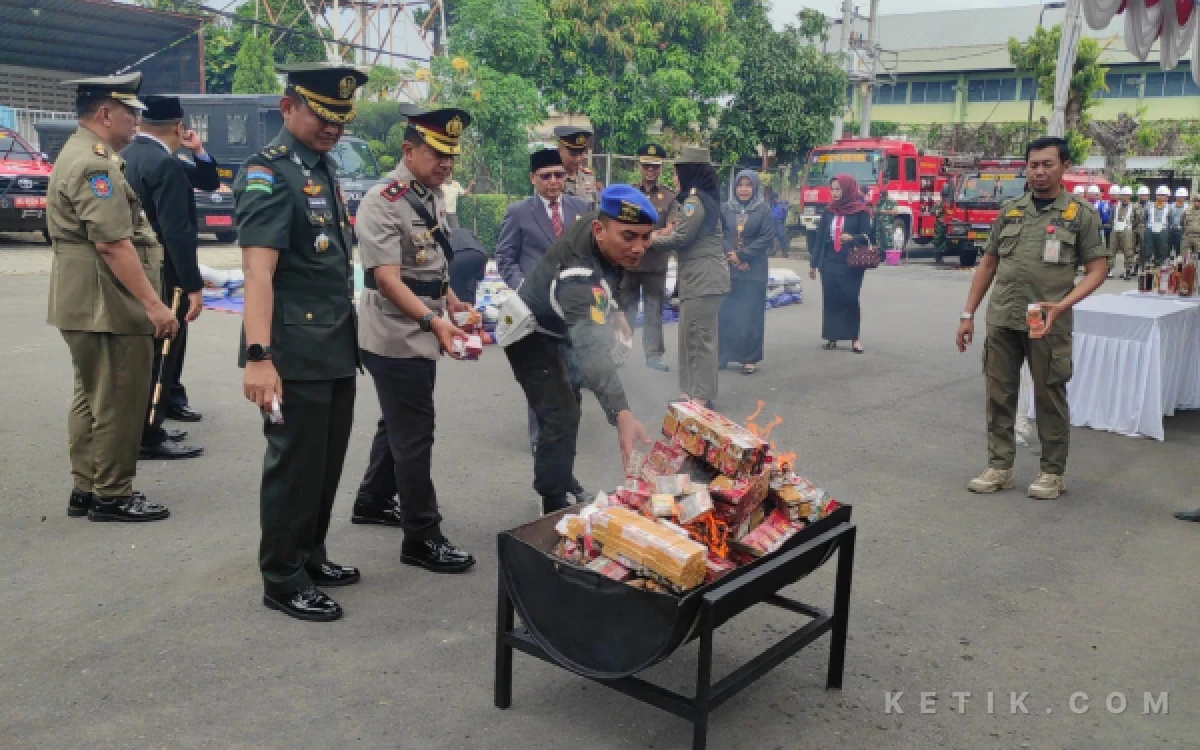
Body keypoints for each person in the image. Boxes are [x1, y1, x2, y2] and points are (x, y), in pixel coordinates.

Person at [234, 63, 367, 623]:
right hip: (292, 351)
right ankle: (283, 576)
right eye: (322, 115)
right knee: (294, 466)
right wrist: (259, 357)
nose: (332, 127)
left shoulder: (322, 169)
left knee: (326, 463)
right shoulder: (268, 173)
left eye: (341, 118)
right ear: (288, 107)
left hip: (334, 344)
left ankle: (311, 553)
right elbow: (258, 274)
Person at [348, 104, 476, 574]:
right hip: (395, 335)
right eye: (437, 152)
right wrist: (433, 321)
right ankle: (422, 537)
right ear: (408, 149)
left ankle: (373, 500)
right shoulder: (383, 200)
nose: (446, 163)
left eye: (451, 155)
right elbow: (386, 279)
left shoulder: (430, 195)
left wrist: (455, 302)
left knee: (397, 421)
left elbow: (431, 265)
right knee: (414, 434)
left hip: (422, 326)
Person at [47, 72, 177, 524]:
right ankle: (113, 494)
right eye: (131, 113)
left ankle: (87, 487)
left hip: (84, 299)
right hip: (108, 302)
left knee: (92, 396)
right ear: (105, 114)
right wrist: (154, 305)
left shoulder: (80, 153)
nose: (137, 122)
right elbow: (112, 244)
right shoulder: (95, 164)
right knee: (121, 399)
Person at [956, 136, 1108, 501]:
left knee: (1049, 394)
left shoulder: (1080, 215)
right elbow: (988, 264)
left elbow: (1097, 269)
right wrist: (968, 314)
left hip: (1048, 322)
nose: (1039, 172)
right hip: (1004, 317)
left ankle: (1052, 472)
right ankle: (1000, 466)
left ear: (1064, 167)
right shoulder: (1010, 211)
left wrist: (1063, 305)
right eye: (1033, 165)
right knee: (998, 395)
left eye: (1047, 164)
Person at [503, 184, 655, 515]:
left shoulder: (601, 227)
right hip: (530, 333)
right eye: (629, 237)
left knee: (571, 399)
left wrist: (612, 309)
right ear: (599, 230)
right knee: (561, 413)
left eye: (646, 237)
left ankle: (561, 478)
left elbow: (606, 281)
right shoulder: (578, 276)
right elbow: (592, 351)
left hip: (561, 324)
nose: (638, 248)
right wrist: (622, 414)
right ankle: (552, 500)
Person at [122, 95, 216, 460]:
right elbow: (178, 232)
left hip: (132, 270)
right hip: (165, 274)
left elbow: (206, 180)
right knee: (164, 353)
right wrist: (192, 285)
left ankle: (147, 423)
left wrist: (200, 152)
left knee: (143, 354)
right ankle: (150, 433)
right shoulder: (165, 165)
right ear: (178, 127)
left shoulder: (127, 156)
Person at [495, 147, 590, 463]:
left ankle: (569, 433)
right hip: (536, 311)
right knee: (543, 374)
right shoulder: (519, 212)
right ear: (533, 179)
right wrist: (524, 288)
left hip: (573, 308)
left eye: (559, 175)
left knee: (573, 374)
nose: (553, 181)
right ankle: (541, 437)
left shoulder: (581, 208)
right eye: (546, 176)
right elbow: (505, 257)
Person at [650, 146, 730, 407]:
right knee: (689, 338)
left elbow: (682, 237)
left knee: (699, 340)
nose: (674, 177)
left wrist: (648, 240)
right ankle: (689, 393)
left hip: (703, 280)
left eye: (677, 172)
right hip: (697, 279)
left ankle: (701, 396)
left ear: (690, 172)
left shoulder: (695, 201)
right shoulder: (702, 198)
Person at [619, 143, 679, 372]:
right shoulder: (630, 194)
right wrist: (651, 234)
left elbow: (671, 228)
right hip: (630, 263)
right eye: (646, 166)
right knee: (626, 309)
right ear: (640, 167)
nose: (650, 171)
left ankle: (653, 356)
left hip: (655, 263)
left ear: (660, 169)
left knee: (654, 309)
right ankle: (621, 354)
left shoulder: (669, 197)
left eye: (655, 167)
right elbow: (622, 225)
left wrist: (641, 236)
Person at [809, 175, 873, 354]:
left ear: (848, 190)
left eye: (839, 189)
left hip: (851, 261)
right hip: (829, 260)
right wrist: (813, 264)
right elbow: (820, 239)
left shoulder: (861, 211)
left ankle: (854, 338)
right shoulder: (829, 211)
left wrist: (852, 238)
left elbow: (868, 236)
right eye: (833, 189)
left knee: (850, 298)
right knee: (830, 298)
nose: (835, 193)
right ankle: (832, 336)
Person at [718, 170, 773, 375]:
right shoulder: (726, 208)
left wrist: (742, 256)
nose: (743, 189)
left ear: (755, 188)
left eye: (748, 185)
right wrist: (731, 254)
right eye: (740, 185)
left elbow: (767, 238)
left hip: (754, 270)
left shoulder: (763, 209)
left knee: (751, 314)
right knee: (727, 313)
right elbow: (720, 233)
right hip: (729, 267)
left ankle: (749, 358)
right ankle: (724, 355)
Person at [555, 125, 598, 209]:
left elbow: (594, 210)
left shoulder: (588, 177)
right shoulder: (549, 178)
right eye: (573, 154)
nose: (578, 159)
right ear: (559, 150)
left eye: (581, 153)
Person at [447, 228, 488, 305]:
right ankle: (470, 309)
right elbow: (479, 277)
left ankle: (462, 311)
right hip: (479, 254)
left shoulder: (448, 233)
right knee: (471, 281)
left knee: (456, 289)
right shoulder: (469, 233)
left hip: (456, 256)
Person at [1109, 186, 1141, 280]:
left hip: (1127, 230)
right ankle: (1109, 269)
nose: (1124, 198)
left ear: (1130, 196)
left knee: (1128, 251)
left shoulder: (1134, 207)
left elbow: (1137, 220)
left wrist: (1131, 228)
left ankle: (1128, 270)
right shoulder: (1115, 207)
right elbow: (1111, 218)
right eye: (1122, 195)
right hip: (1115, 229)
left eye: (1126, 195)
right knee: (1111, 250)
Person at [1144, 186, 1172, 266]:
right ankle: (1146, 270)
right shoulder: (1149, 206)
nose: (1161, 197)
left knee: (1161, 251)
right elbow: (1144, 218)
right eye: (1159, 195)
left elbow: (1171, 220)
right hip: (1150, 230)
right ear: (1156, 196)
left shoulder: (1170, 208)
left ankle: (1159, 268)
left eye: (1164, 195)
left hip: (1163, 231)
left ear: (1167, 197)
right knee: (1148, 250)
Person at [767, 187, 791, 258]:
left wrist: (782, 222)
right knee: (770, 237)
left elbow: (785, 213)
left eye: (776, 198)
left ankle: (785, 251)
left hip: (778, 221)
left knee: (782, 236)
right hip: (771, 221)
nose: (776, 200)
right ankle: (772, 251)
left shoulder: (781, 204)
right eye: (774, 198)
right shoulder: (769, 204)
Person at [874, 189, 898, 253]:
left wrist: (884, 212)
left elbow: (895, 212)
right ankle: (881, 253)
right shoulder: (879, 202)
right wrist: (876, 211)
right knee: (879, 238)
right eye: (882, 196)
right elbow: (875, 210)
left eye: (884, 196)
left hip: (888, 223)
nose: (883, 198)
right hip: (879, 222)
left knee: (888, 239)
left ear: (887, 195)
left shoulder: (892, 202)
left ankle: (890, 255)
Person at [1168, 187, 1188, 257]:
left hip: (1181, 232)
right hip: (1170, 230)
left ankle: (1178, 265)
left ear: (1185, 197)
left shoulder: (1188, 207)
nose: (1180, 198)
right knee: (1167, 250)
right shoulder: (1170, 206)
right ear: (1176, 197)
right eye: (1178, 196)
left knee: (1179, 250)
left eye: (1182, 197)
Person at [1181, 192, 1200, 259]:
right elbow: (1182, 223)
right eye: (1195, 201)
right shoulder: (1187, 211)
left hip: (1198, 238)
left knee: (1198, 258)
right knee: (1185, 257)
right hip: (1187, 237)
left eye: (1199, 201)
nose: (1197, 203)